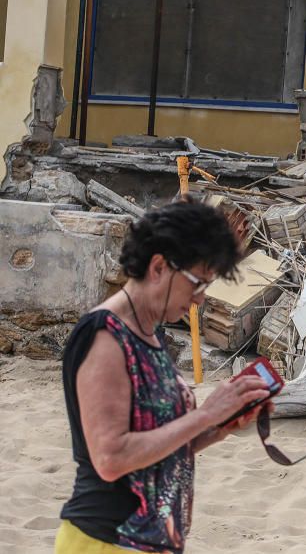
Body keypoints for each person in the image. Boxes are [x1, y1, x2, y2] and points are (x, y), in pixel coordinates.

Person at [55, 200, 273, 553]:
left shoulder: (148, 333)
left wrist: (220, 427)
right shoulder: (104, 335)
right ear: (158, 267)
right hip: (104, 541)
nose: (201, 300)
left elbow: (158, 448)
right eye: (198, 284)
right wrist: (205, 414)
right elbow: (111, 459)